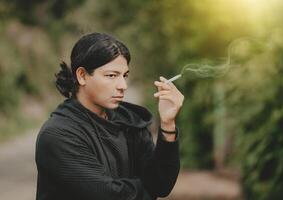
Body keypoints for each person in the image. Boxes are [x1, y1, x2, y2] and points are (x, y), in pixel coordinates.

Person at [35, 32, 184, 200]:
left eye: (124, 75)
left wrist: (168, 123)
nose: (123, 85)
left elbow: (161, 184)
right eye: (111, 76)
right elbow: (109, 195)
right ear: (82, 76)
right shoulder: (58, 134)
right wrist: (148, 188)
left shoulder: (131, 122)